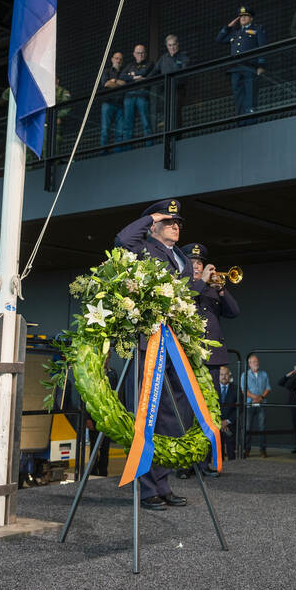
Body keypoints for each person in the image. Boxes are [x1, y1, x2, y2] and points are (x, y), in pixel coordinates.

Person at [113, 198, 200, 510]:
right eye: (169, 221)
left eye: (177, 222)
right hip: (146, 345)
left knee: (170, 417)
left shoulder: (182, 260)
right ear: (154, 225)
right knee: (148, 415)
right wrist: (151, 218)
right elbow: (122, 241)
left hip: (174, 345)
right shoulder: (144, 248)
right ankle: (147, 487)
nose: (175, 226)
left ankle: (162, 484)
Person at [180, 242, 240, 386]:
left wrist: (221, 290)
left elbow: (234, 312)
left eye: (199, 263)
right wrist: (202, 281)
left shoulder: (212, 289)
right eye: (192, 262)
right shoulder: (182, 286)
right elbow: (189, 296)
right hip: (190, 354)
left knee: (213, 401)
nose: (196, 266)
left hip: (213, 357)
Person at [216, 6, 266, 117]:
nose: (242, 18)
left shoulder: (257, 29)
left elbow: (263, 48)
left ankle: (251, 120)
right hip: (235, 69)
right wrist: (228, 26)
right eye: (241, 16)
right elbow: (219, 39)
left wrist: (261, 65)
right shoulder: (235, 33)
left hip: (250, 68)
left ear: (251, 18)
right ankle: (240, 120)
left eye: (245, 16)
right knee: (238, 95)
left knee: (250, 95)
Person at [150, 34, 190, 125]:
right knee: (166, 110)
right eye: (170, 45)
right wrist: (144, 79)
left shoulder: (183, 56)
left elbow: (184, 70)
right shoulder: (163, 58)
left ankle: (177, 135)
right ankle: (168, 129)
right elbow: (154, 72)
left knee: (176, 110)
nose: (172, 47)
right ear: (167, 46)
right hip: (166, 89)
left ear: (178, 44)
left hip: (178, 88)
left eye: (174, 44)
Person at [121, 43, 154, 141]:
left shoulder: (150, 64)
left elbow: (144, 73)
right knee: (128, 123)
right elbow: (122, 76)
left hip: (142, 94)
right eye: (138, 53)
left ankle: (149, 145)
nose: (141, 55)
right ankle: (126, 147)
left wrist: (131, 76)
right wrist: (134, 77)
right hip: (129, 96)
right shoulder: (129, 65)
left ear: (145, 54)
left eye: (143, 53)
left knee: (146, 121)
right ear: (134, 54)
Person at [241, 354, 271, 457]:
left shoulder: (264, 374)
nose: (256, 363)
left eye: (257, 361)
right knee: (247, 428)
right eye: (254, 362)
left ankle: (263, 450)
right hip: (249, 405)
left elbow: (268, 388)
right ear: (249, 364)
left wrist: (260, 398)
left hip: (261, 405)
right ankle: (246, 450)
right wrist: (255, 398)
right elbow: (244, 390)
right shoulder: (244, 375)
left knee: (262, 428)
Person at [99, 52, 127, 149]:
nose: (118, 60)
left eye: (120, 59)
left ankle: (118, 153)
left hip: (120, 104)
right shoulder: (106, 71)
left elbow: (125, 84)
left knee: (120, 131)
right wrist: (119, 83)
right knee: (105, 130)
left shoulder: (124, 72)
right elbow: (106, 84)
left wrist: (113, 81)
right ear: (112, 59)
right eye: (116, 58)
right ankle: (103, 153)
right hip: (108, 103)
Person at [214, 365, 240, 461]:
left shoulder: (236, 389)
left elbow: (239, 408)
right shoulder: (213, 389)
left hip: (230, 425)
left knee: (231, 450)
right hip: (216, 424)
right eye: (221, 374)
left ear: (229, 376)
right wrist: (219, 422)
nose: (224, 377)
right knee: (218, 449)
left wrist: (227, 421)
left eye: (226, 374)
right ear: (218, 376)